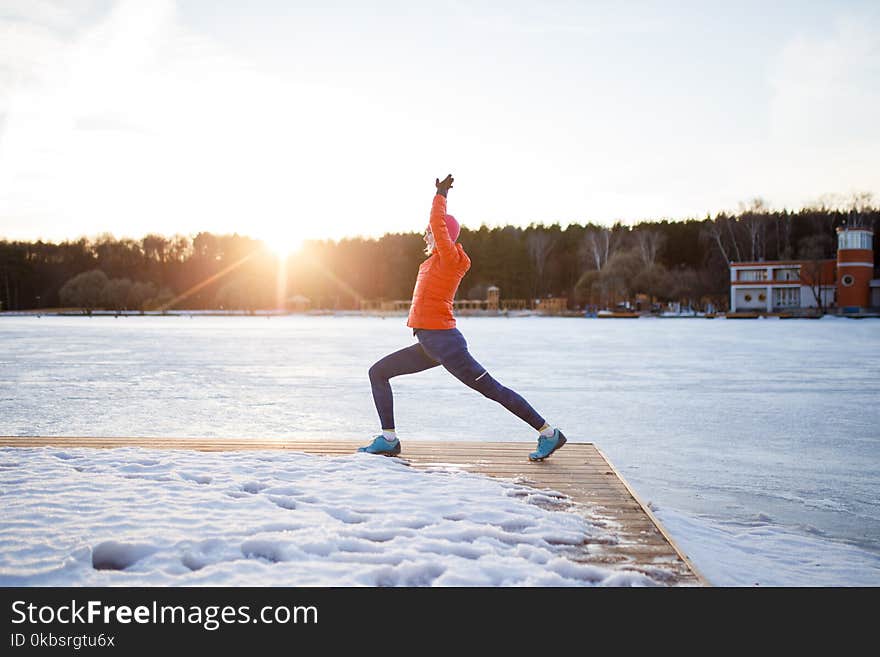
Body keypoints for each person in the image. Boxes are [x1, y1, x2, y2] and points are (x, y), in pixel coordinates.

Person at [358, 174, 567, 461]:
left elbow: (439, 226)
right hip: (431, 344)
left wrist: (440, 195)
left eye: (430, 231)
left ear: (445, 234)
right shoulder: (434, 261)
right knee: (378, 372)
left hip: (446, 345)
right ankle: (389, 439)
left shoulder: (450, 258)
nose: (426, 235)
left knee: (493, 390)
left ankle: (548, 433)